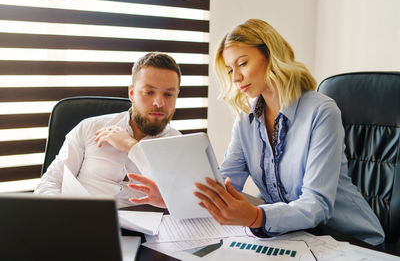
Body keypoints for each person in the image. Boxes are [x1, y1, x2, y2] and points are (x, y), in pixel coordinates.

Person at [191, 19, 385, 246]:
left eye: (242, 63)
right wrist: (173, 194)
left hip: (348, 240)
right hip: (297, 238)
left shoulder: (321, 111)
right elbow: (226, 185)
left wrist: (257, 216)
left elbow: (317, 204)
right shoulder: (245, 120)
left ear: (271, 55)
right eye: (229, 70)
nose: (235, 78)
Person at [34, 52, 181, 208]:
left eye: (168, 94)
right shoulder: (89, 128)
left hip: (146, 230)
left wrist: (132, 147)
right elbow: (50, 182)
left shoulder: (181, 146)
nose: (159, 102)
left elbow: (179, 200)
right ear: (131, 93)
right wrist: (61, 215)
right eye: (149, 92)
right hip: (80, 222)